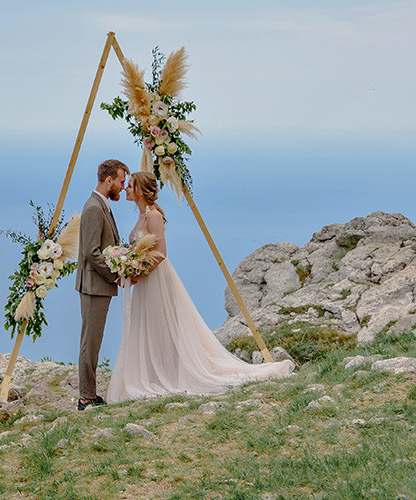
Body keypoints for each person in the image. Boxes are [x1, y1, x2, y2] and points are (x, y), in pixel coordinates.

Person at [107, 171, 294, 403]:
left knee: (163, 325)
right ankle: (156, 372)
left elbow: (162, 253)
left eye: (130, 185)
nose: (126, 189)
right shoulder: (141, 214)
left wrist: (138, 270)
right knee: (150, 326)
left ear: (140, 190)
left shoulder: (153, 215)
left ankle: (171, 374)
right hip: (144, 281)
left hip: (156, 279)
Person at [75, 159, 129, 411]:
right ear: (109, 180)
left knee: (93, 339)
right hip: (94, 285)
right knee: (91, 340)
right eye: (120, 181)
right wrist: (114, 275)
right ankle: (86, 397)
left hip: (98, 285)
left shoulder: (102, 205)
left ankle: (90, 393)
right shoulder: (94, 208)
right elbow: (91, 251)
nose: (122, 186)